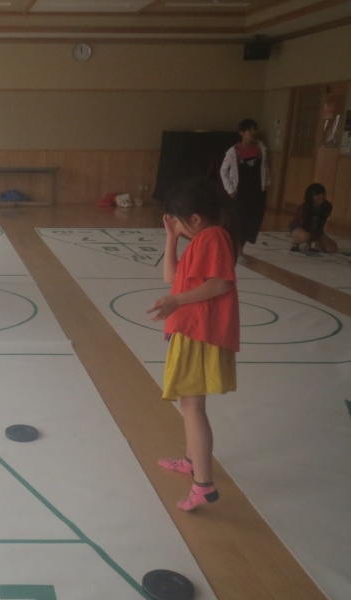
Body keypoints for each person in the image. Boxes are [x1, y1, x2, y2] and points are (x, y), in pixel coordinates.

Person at [147, 177, 240, 512]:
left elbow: (220, 284)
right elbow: (171, 278)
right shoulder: (201, 239)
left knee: (192, 407)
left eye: (178, 221)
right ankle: (192, 462)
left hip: (198, 332)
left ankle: (203, 484)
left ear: (196, 218)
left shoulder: (213, 237)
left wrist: (177, 301)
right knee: (190, 404)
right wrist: (172, 237)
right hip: (191, 331)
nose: (176, 225)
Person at [219, 118, 271, 259]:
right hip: (240, 193)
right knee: (238, 222)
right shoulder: (233, 152)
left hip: (257, 191)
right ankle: (237, 251)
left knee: (253, 221)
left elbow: (265, 166)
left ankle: (240, 248)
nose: (253, 133)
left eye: (255, 130)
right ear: (242, 132)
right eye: (249, 130)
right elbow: (223, 171)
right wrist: (230, 188)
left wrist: (267, 182)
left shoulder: (261, 147)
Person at [288, 182, 337, 254]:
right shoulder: (304, 207)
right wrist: (311, 242)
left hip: (316, 229)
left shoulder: (327, 206)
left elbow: (321, 224)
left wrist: (319, 240)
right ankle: (295, 242)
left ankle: (312, 241)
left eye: (323, 194)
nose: (321, 196)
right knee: (305, 236)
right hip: (300, 227)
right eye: (317, 195)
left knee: (332, 249)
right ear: (311, 196)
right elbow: (304, 225)